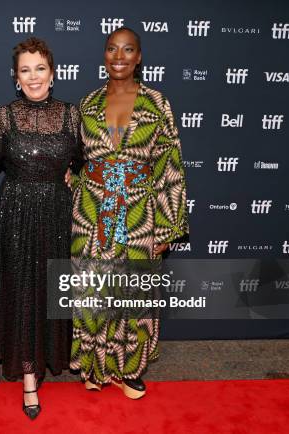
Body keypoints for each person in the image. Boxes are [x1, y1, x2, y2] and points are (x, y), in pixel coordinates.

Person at [69, 27, 189, 399]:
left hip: (139, 211)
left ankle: (129, 369)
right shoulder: (86, 104)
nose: (118, 56)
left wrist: (167, 228)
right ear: (104, 55)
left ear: (139, 57)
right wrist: (73, 185)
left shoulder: (157, 103)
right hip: (91, 213)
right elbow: (76, 161)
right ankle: (93, 365)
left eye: (127, 49)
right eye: (111, 49)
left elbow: (170, 166)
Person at [0, 37, 81, 420]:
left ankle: (54, 357)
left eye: (40, 68)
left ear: (52, 74)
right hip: (16, 213)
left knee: (51, 288)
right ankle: (28, 379)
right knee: (22, 290)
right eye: (25, 70)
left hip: (56, 212)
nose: (33, 76)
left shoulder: (72, 115)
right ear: (16, 77)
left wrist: (72, 178)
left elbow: (86, 162)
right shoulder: (5, 116)